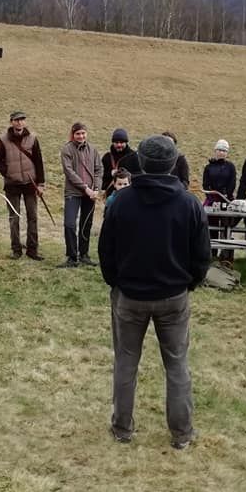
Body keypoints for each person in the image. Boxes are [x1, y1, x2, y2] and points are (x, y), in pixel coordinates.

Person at [99, 135, 211, 449]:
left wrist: (117, 283)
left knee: (126, 361)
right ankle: (181, 433)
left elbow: (105, 251)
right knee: (177, 364)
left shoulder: (121, 201)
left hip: (131, 296)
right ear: (174, 163)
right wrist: (188, 283)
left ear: (142, 164)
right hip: (173, 297)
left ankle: (122, 427)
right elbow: (202, 255)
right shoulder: (189, 203)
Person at [0, 110, 46, 260]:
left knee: (32, 217)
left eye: (22, 119)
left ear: (25, 121)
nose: (19, 122)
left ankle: (32, 250)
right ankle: (16, 250)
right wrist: (7, 172)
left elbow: (39, 161)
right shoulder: (3, 140)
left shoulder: (33, 139)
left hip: (30, 184)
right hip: (12, 185)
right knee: (14, 218)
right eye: (16, 120)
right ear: (11, 122)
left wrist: (41, 184)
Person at [59, 122, 102, 268]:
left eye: (83, 133)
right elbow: (69, 172)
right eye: (78, 133)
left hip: (90, 194)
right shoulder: (67, 149)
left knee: (86, 224)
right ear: (73, 134)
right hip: (73, 192)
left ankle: (84, 254)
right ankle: (72, 257)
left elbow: (98, 170)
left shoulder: (93, 149)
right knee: (69, 224)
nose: (81, 136)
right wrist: (85, 188)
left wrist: (96, 188)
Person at [202, 139, 237, 261]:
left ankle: (226, 253)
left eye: (224, 150)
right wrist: (211, 197)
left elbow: (232, 183)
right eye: (219, 150)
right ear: (215, 151)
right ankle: (212, 253)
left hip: (226, 199)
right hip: (212, 199)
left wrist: (226, 196)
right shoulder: (208, 168)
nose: (221, 153)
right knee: (212, 226)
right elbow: (205, 185)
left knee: (227, 225)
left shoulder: (230, 167)